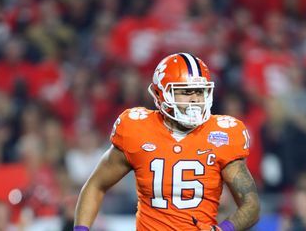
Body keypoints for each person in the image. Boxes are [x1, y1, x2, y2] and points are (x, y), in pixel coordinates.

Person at [74, 53, 260, 230]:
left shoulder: (222, 134)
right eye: (185, 92)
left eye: (200, 92)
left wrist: (221, 229)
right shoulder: (137, 129)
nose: (195, 99)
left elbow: (251, 205)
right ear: (160, 93)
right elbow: (96, 186)